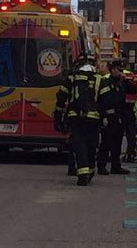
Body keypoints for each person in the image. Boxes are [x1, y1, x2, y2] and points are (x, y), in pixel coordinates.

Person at [54, 53, 103, 186]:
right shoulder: (98, 79)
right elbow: (105, 100)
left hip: (75, 117)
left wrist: (58, 116)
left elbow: (61, 96)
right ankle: (90, 170)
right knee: (91, 145)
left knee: (79, 145)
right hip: (93, 118)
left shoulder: (72, 77)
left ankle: (82, 175)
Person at [97, 59, 136, 175]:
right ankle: (101, 165)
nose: (119, 72)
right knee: (106, 142)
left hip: (119, 116)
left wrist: (127, 81)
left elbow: (133, 91)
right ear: (112, 70)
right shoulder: (105, 82)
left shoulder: (122, 82)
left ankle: (115, 166)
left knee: (117, 143)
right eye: (118, 70)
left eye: (121, 70)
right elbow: (102, 101)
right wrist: (103, 117)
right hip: (109, 117)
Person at [121, 62, 137, 163]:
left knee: (116, 133)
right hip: (130, 108)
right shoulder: (133, 76)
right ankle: (130, 154)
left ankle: (114, 154)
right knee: (131, 133)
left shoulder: (110, 75)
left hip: (118, 109)